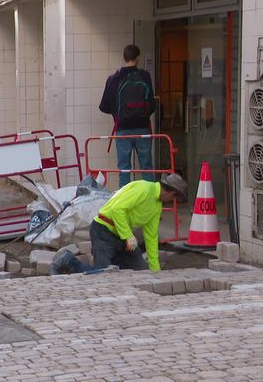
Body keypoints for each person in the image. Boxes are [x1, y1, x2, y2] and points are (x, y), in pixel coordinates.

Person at [50, 173, 187, 275]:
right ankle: (68, 261)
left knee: (141, 271)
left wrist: (156, 272)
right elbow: (117, 210)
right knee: (102, 275)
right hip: (103, 230)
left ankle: (112, 266)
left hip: (121, 236)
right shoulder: (144, 189)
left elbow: (151, 237)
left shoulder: (156, 207)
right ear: (171, 192)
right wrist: (128, 236)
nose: (173, 201)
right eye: (175, 197)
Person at [99, 44, 156, 187]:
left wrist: (118, 114)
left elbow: (104, 106)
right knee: (146, 167)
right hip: (142, 129)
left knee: (124, 169)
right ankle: (149, 201)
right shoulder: (144, 76)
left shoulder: (113, 78)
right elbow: (152, 105)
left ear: (124, 57)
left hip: (122, 129)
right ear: (138, 58)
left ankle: (124, 203)